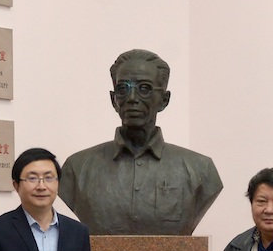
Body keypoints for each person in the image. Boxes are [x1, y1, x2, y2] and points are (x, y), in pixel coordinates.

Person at [58, 48, 223, 235]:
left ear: (164, 100)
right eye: (123, 89)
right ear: (113, 99)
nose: (132, 98)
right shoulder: (78, 168)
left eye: (144, 89)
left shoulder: (200, 169)